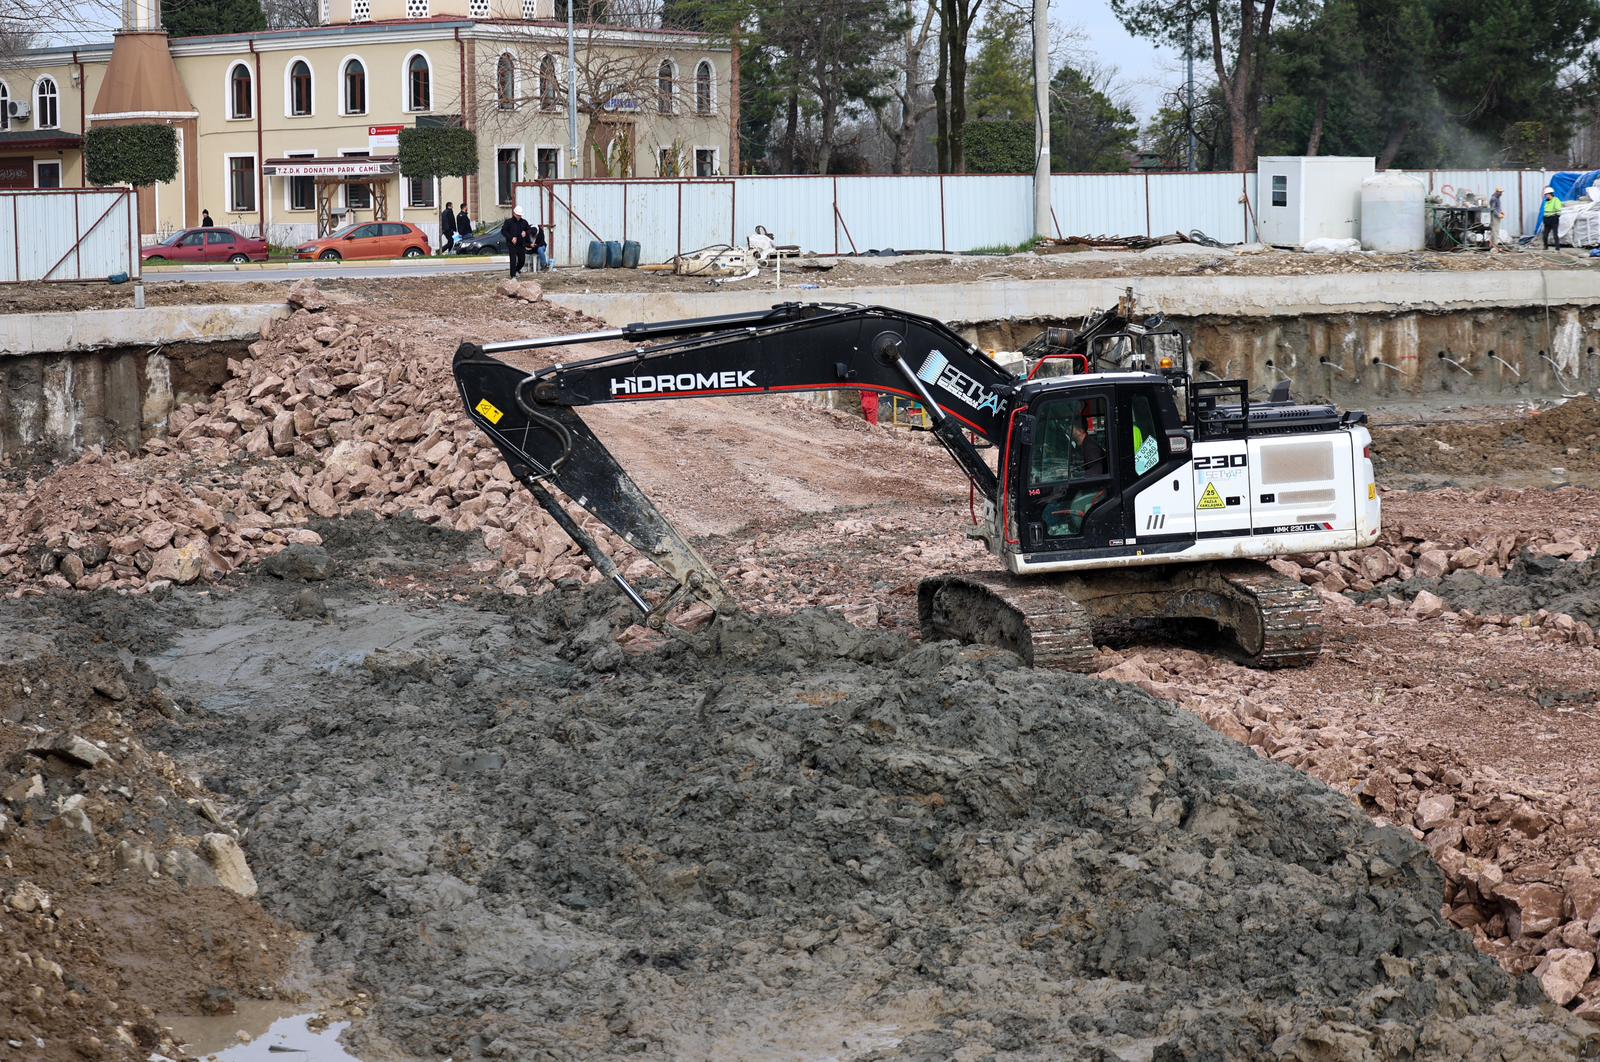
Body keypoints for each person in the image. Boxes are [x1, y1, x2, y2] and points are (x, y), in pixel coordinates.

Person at [501, 206, 532, 278]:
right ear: (514, 213)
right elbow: (503, 231)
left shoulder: (524, 222)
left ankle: (517, 270)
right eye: (518, 215)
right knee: (513, 260)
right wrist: (511, 238)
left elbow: (529, 230)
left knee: (522, 260)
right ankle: (513, 276)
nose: (519, 216)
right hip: (512, 244)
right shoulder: (508, 222)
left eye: (520, 215)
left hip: (521, 244)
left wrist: (526, 233)